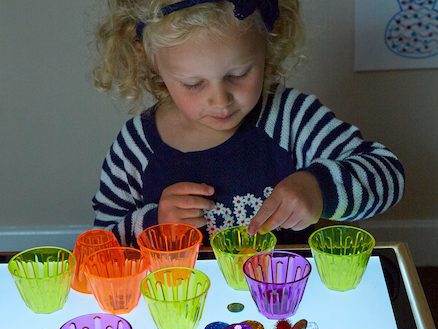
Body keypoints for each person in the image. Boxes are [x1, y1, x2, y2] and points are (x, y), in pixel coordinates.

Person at [92, 0, 405, 247]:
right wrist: (154, 224)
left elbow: (387, 174)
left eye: (239, 74)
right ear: (149, 59)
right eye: (193, 84)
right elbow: (102, 246)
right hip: (181, 308)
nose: (220, 101)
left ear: (267, 43)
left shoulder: (290, 118)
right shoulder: (136, 147)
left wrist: (319, 188)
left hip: (287, 303)